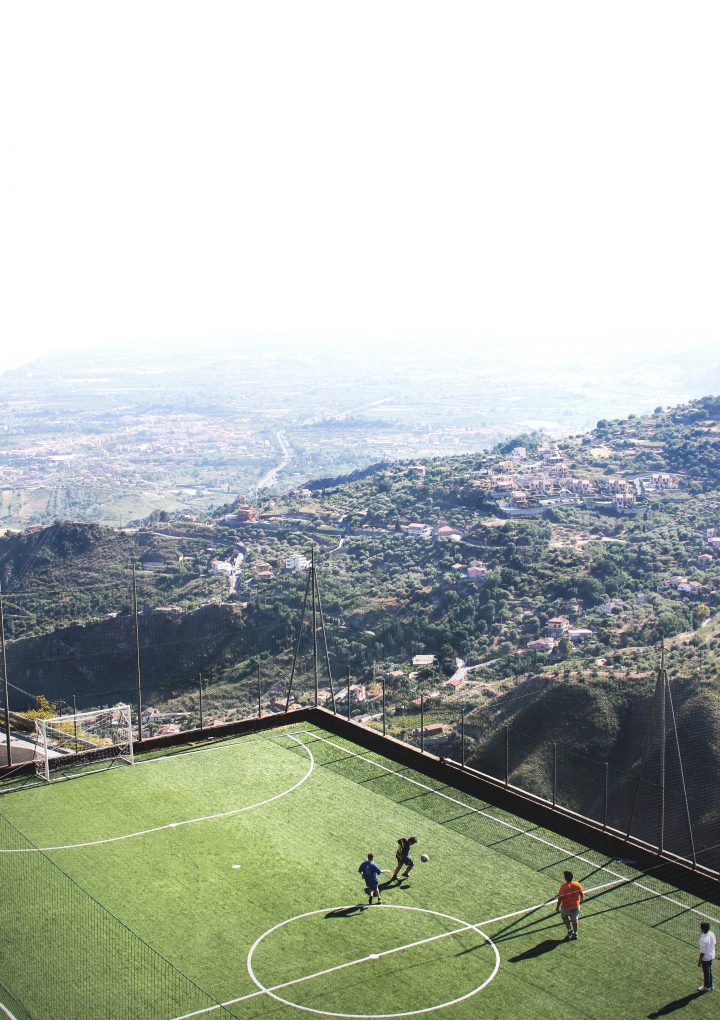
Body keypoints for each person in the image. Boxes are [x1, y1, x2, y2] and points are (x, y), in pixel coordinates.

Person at [555, 870, 584, 940]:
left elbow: (560, 898)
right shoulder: (577, 884)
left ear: (566, 878)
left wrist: (557, 907)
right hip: (576, 906)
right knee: (574, 919)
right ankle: (575, 933)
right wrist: (582, 899)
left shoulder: (563, 887)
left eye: (564, 876)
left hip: (566, 907)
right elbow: (581, 893)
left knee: (564, 917)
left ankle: (570, 930)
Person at [698, 922, 715, 992]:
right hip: (712, 955)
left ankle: (706, 987)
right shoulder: (711, 933)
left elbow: (702, 952)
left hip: (706, 958)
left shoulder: (703, 939)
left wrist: (699, 961)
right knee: (709, 971)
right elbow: (714, 943)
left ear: (703, 929)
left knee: (706, 972)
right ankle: (710, 985)